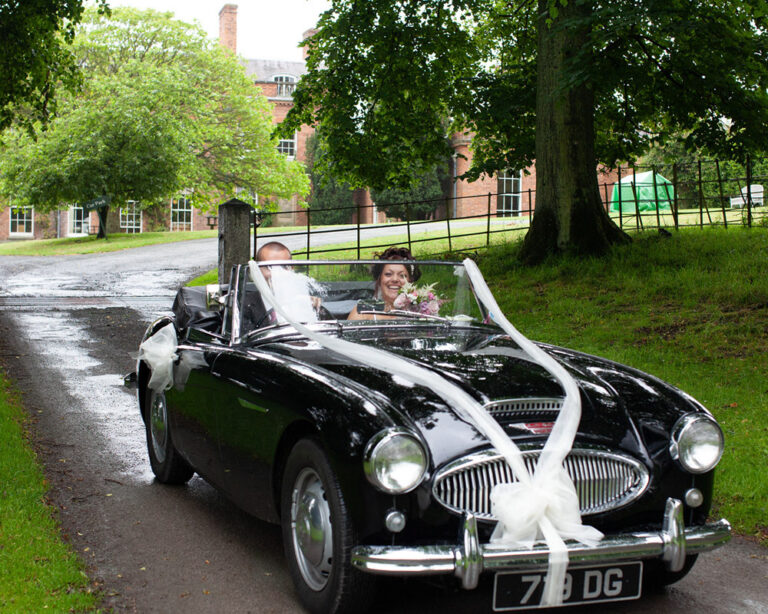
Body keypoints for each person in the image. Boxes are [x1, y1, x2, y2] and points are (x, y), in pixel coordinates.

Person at [347, 246, 420, 320]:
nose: (395, 279)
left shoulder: (421, 311)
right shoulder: (362, 313)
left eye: (402, 276)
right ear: (380, 279)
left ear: (410, 281)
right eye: (388, 274)